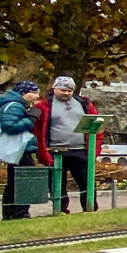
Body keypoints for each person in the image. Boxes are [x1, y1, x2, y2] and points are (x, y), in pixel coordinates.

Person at [31, 75, 101, 213]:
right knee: (57, 184)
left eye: (69, 90)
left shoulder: (85, 104)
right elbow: (37, 130)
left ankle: (90, 209)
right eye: (63, 90)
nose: (66, 93)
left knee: (86, 182)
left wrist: (94, 151)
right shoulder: (43, 105)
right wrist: (43, 152)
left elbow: (96, 127)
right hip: (55, 151)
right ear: (55, 88)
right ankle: (60, 210)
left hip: (80, 151)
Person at [0, 81, 43, 220]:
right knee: (24, 180)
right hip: (19, 149)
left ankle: (10, 213)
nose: (36, 96)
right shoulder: (14, 106)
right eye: (33, 93)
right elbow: (9, 126)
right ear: (22, 93)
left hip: (19, 149)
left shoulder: (19, 105)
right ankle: (20, 213)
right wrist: (30, 119)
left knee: (14, 182)